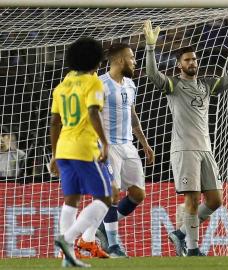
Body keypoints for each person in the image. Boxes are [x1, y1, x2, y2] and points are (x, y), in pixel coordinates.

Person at [143, 20, 228, 256]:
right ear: (179, 65)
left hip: (205, 150)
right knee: (191, 200)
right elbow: (152, 74)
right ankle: (192, 249)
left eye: (194, 59)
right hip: (185, 150)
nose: (192, 62)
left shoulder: (206, 85)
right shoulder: (174, 85)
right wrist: (150, 48)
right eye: (187, 60)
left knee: (215, 200)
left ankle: (180, 233)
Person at [78, 43, 155, 258]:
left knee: (138, 194)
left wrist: (144, 143)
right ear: (120, 60)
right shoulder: (99, 84)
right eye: (131, 58)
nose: (134, 61)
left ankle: (100, 227)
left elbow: (132, 116)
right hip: (107, 146)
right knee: (111, 193)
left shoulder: (130, 85)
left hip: (128, 145)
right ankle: (113, 245)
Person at [50, 37, 112, 267]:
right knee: (106, 197)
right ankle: (66, 239)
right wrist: (105, 143)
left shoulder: (63, 84)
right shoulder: (93, 82)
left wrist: (54, 154)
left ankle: (66, 258)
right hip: (84, 147)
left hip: (64, 148)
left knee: (71, 199)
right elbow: (94, 112)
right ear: (97, 60)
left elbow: (55, 122)